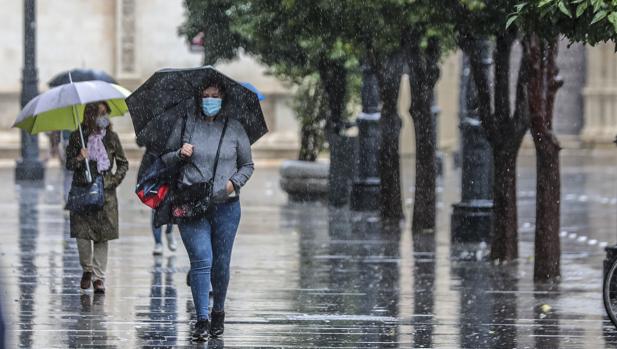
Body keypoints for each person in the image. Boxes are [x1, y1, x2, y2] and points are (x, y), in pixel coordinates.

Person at [160, 82, 254, 341]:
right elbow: (165, 158)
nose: (210, 100)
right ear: (198, 98)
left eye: (215, 96)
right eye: (205, 96)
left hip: (226, 206)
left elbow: (247, 165)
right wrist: (180, 153)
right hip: (191, 204)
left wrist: (233, 183)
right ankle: (202, 319)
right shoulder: (186, 123)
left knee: (220, 264)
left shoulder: (235, 128)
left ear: (223, 99)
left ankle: (218, 312)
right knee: (201, 260)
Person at [66, 102, 128, 294]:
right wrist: (79, 158)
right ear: (90, 116)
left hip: (105, 194)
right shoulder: (78, 137)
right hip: (83, 191)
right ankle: (87, 269)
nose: (104, 117)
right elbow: (68, 164)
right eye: (100, 113)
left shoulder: (112, 138)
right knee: (82, 234)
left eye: (106, 113)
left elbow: (123, 164)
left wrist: (112, 181)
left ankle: (98, 278)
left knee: (103, 236)